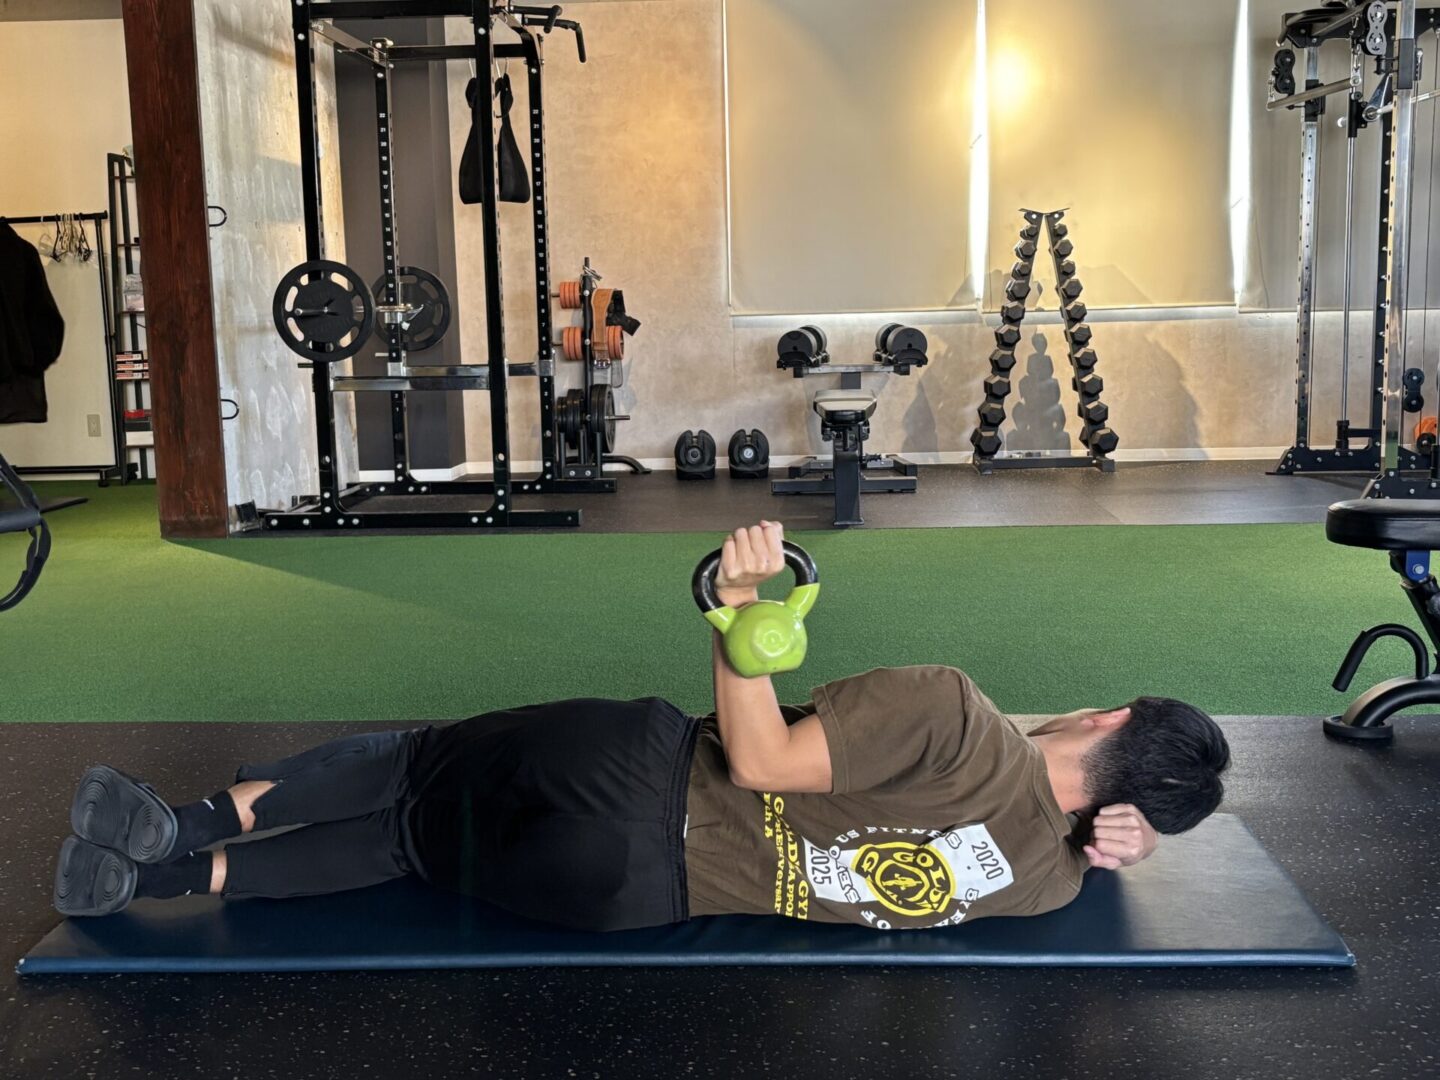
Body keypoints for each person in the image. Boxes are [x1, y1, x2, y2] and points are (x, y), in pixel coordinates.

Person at [53, 522, 1230, 932]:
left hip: (639, 775)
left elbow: (763, 759)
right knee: (410, 842)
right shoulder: (1049, 885)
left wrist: (735, 610)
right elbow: (1074, 842)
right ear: (1128, 813)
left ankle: (183, 823)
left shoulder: (958, 712)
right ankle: (170, 878)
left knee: (413, 764)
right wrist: (1113, 847)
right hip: (633, 895)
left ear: (1110, 713)